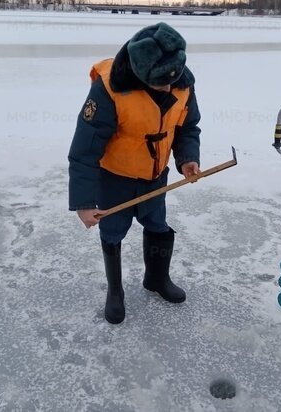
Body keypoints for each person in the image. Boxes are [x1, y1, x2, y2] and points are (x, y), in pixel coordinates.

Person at [68, 22, 201, 324]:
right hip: (115, 180)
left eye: (172, 80)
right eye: (159, 83)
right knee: (112, 232)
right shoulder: (109, 89)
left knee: (158, 226)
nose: (169, 88)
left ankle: (156, 279)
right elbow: (84, 149)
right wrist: (84, 202)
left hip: (156, 177)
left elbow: (187, 127)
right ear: (140, 73)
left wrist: (187, 159)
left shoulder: (181, 81)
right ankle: (115, 291)